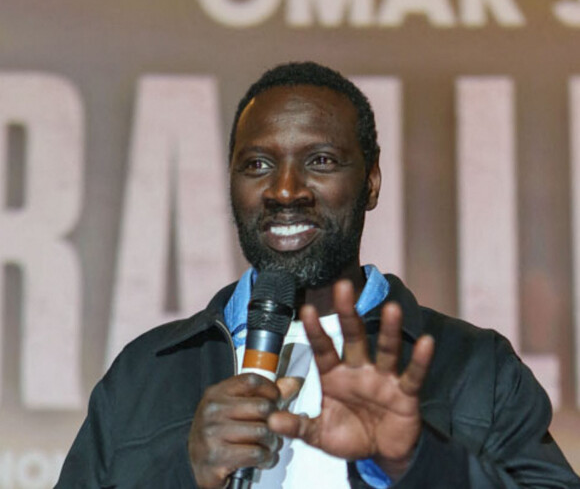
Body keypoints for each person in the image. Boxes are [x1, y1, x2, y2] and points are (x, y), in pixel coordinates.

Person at [56, 61, 580, 488]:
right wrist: (177, 476)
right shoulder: (145, 371)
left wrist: (416, 464)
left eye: (322, 160)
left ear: (371, 182)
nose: (285, 191)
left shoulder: (475, 367)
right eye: (257, 164)